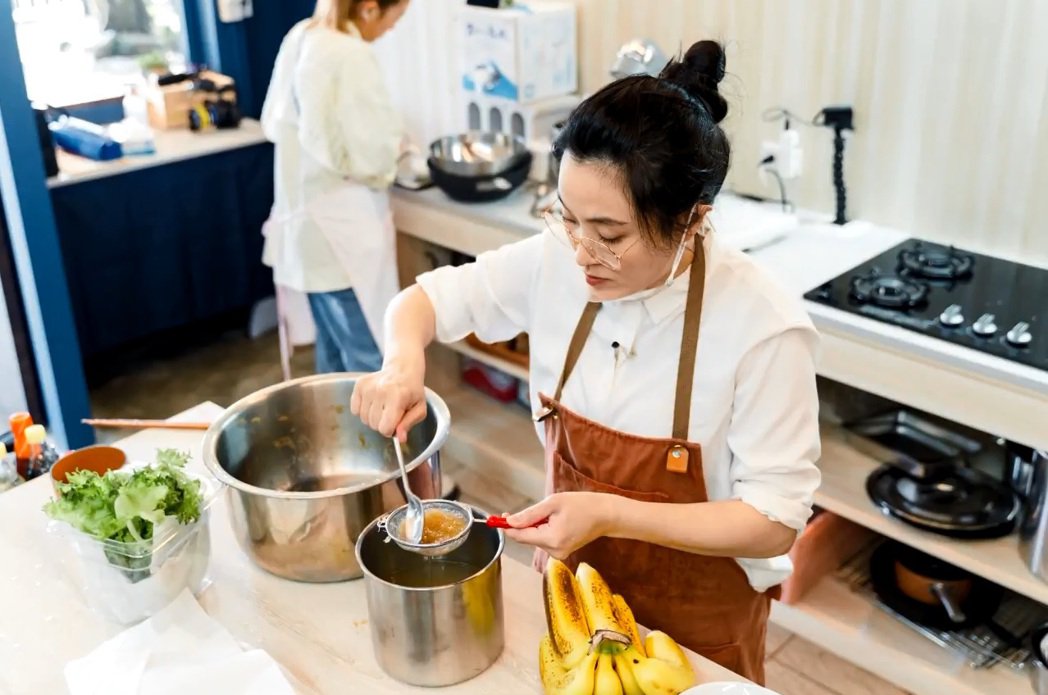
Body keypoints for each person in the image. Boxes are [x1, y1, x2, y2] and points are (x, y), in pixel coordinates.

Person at [350, 40, 820, 684]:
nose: (581, 253)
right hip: (574, 601)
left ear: (692, 220)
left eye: (611, 234)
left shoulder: (763, 326)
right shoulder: (556, 259)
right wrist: (402, 363)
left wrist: (609, 512)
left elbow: (772, 523)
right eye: (568, 219)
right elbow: (422, 300)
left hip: (701, 634)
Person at [260, 0, 411, 375]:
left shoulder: (303, 34)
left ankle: (334, 432)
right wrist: (396, 152)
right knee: (371, 361)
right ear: (371, 9)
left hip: (306, 230)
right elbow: (372, 155)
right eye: (396, 18)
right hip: (341, 239)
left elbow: (273, 124)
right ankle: (375, 436)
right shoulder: (350, 55)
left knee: (333, 357)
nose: (392, 30)